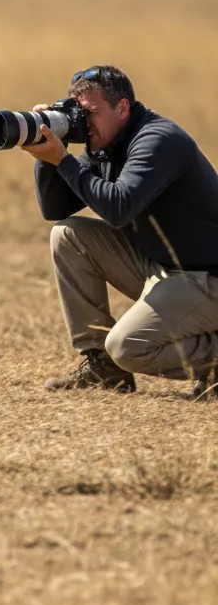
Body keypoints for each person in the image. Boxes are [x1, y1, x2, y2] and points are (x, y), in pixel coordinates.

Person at [24, 65, 218, 398]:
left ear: (123, 108)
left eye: (91, 112)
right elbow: (54, 210)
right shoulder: (105, 143)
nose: (83, 121)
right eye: (77, 111)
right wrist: (47, 152)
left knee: (127, 347)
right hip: (164, 268)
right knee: (67, 234)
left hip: (205, 278)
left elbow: (118, 208)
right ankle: (102, 368)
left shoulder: (158, 140)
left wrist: (64, 161)